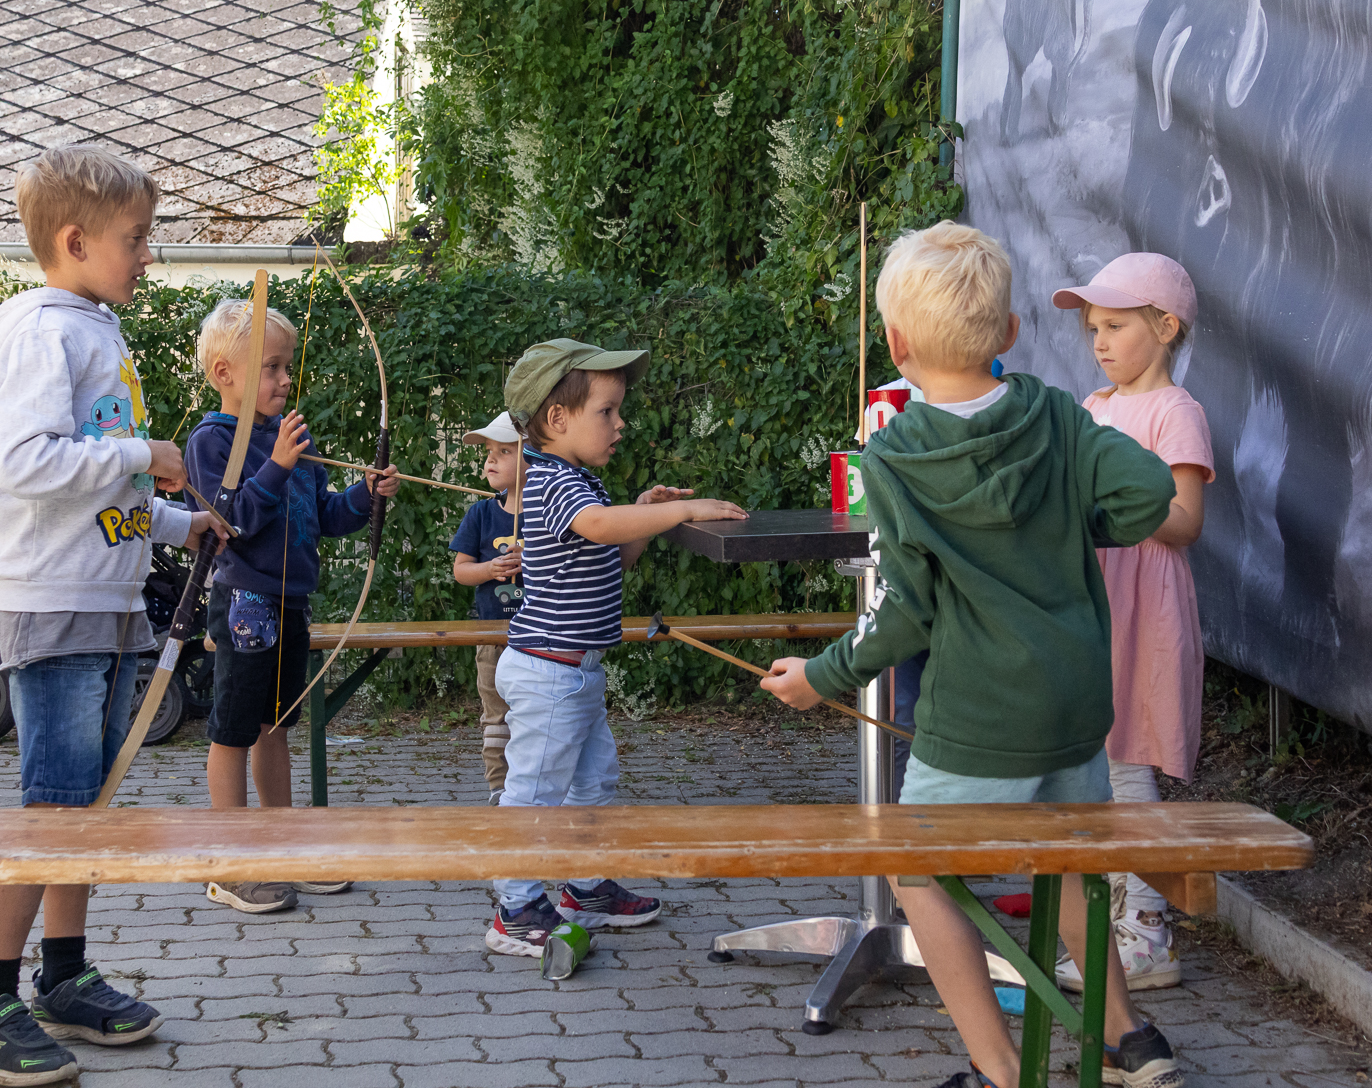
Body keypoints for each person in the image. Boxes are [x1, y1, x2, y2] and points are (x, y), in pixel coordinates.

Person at [760, 221, 1185, 1088]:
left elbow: (904, 614)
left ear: (896, 345)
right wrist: (1073, 521)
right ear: (1010, 333)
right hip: (1076, 709)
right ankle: (1131, 1039)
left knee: (913, 869)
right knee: (1068, 858)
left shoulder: (895, 455)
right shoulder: (1056, 414)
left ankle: (998, 1070)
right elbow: (1148, 492)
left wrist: (819, 677)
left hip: (978, 720)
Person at [0, 144, 229, 1086]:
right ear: (75, 241)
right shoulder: (37, 330)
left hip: (106, 602)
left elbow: (105, 488)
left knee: (86, 806)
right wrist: (145, 452)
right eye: (136, 239)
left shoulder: (96, 328)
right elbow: (25, 464)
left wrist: (180, 522)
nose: (148, 255)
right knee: (54, 809)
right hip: (56, 606)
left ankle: (61, 975)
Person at [486, 339, 747, 956]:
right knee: (533, 794)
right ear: (557, 419)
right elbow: (601, 527)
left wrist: (644, 516)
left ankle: (584, 889)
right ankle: (514, 909)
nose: (620, 423)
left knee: (593, 784)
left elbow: (613, 550)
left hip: (575, 672)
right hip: (550, 673)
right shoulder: (552, 480)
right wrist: (685, 509)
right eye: (607, 411)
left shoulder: (579, 481)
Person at [184, 299, 401, 915]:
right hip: (246, 602)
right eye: (272, 367)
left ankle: (279, 847)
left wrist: (363, 494)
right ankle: (232, 863)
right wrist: (277, 465)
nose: (284, 380)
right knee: (233, 729)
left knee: (275, 725)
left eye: (287, 367)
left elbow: (323, 515)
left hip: (291, 601)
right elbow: (229, 523)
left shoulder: (291, 440)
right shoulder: (213, 441)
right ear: (225, 374)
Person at [1050, 254, 1214, 992]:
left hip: (1144, 603)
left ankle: (1148, 935)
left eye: (1116, 326)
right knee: (1098, 758)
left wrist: (1112, 507)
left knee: (1129, 758)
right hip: (1094, 599)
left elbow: (1185, 521)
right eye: (1094, 329)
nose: (1100, 342)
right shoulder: (1092, 405)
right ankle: (1116, 924)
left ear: (1166, 326)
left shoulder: (1175, 411)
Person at [449, 411, 526, 804]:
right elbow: (461, 570)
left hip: (538, 639)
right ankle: (499, 787)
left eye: (504, 451)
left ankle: (530, 784)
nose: (490, 459)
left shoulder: (549, 514)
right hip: (493, 638)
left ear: (532, 457)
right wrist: (490, 569)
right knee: (496, 717)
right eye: (488, 452)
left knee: (532, 716)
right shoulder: (481, 513)